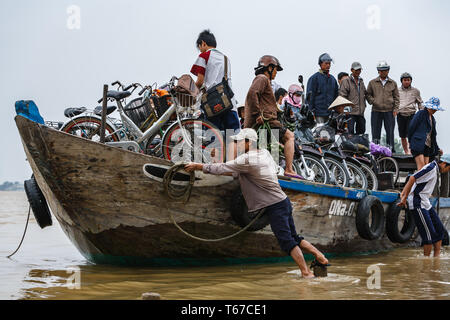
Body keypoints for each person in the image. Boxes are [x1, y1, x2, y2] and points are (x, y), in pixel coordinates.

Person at [184, 128, 329, 277]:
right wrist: (212, 163)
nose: (237, 144)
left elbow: (224, 168)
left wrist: (198, 166)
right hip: (282, 201)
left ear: (248, 143)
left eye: (239, 141)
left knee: (287, 242)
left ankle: (306, 273)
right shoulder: (264, 154)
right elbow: (235, 171)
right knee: (294, 237)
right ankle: (321, 258)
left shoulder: (247, 159)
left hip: (275, 206)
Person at [244, 55, 301, 179]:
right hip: (266, 121)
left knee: (270, 150)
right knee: (290, 136)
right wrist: (257, 114)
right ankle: (289, 169)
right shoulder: (262, 78)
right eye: (275, 69)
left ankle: (271, 174)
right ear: (269, 68)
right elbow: (252, 94)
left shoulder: (264, 80)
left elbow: (265, 102)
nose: (276, 72)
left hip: (264, 122)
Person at [398, 153, 450, 257]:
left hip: (425, 202)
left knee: (439, 231)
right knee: (428, 237)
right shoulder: (431, 168)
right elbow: (413, 178)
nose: (448, 171)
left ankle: (436, 258)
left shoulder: (436, 170)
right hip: (418, 203)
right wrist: (404, 196)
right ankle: (427, 262)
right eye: (449, 168)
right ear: (444, 164)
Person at [190, 29, 240, 132]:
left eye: (199, 47)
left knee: (215, 139)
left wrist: (190, 94)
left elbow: (199, 82)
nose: (200, 50)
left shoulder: (204, 56)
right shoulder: (226, 58)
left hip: (212, 104)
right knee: (232, 138)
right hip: (229, 102)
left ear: (203, 43)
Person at [366, 60, 400, 152]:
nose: (383, 72)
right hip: (376, 111)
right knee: (376, 133)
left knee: (390, 132)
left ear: (388, 70)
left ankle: (391, 150)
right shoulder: (372, 82)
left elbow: (397, 97)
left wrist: (396, 109)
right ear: (378, 71)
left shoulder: (393, 83)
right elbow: (368, 94)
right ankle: (375, 150)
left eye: (385, 70)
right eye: (381, 70)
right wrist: (374, 101)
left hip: (389, 111)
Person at [408, 97, 444, 170]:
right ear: (428, 106)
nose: (434, 110)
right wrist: (410, 141)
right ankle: (416, 181)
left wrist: (437, 149)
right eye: (433, 108)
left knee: (426, 170)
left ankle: (423, 182)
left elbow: (433, 136)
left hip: (427, 146)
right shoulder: (421, 113)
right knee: (421, 168)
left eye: (435, 109)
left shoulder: (433, 119)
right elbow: (411, 127)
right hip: (418, 143)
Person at [306, 53, 339, 124]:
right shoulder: (314, 78)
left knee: (330, 133)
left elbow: (336, 97)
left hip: (330, 114)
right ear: (320, 64)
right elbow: (310, 98)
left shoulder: (333, 79)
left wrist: (336, 111)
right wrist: (310, 112)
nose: (328, 65)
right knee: (319, 133)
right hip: (318, 114)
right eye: (326, 63)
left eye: (329, 63)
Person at [398, 72, 423, 155]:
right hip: (400, 114)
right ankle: (406, 152)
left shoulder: (415, 91)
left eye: (408, 80)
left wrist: (421, 112)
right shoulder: (397, 91)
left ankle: (410, 150)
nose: (406, 82)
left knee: (411, 134)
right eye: (405, 80)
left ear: (411, 81)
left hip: (411, 114)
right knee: (402, 135)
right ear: (401, 81)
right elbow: (394, 101)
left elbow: (420, 102)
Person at [339, 62, 368, 135]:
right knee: (350, 133)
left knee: (361, 132)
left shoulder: (361, 81)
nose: (358, 72)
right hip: (350, 112)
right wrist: (346, 110)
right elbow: (342, 96)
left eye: (359, 70)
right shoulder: (346, 81)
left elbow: (365, 93)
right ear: (351, 70)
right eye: (356, 70)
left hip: (360, 112)